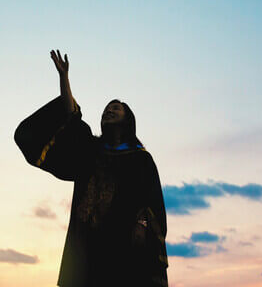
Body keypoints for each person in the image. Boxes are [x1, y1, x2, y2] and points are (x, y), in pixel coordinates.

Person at [14, 50, 168, 287]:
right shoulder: (91, 150)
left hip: (123, 246)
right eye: (107, 108)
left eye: (116, 108)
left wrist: (143, 225)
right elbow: (71, 116)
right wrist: (64, 78)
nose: (109, 110)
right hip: (87, 246)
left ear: (128, 119)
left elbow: (151, 199)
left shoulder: (140, 159)